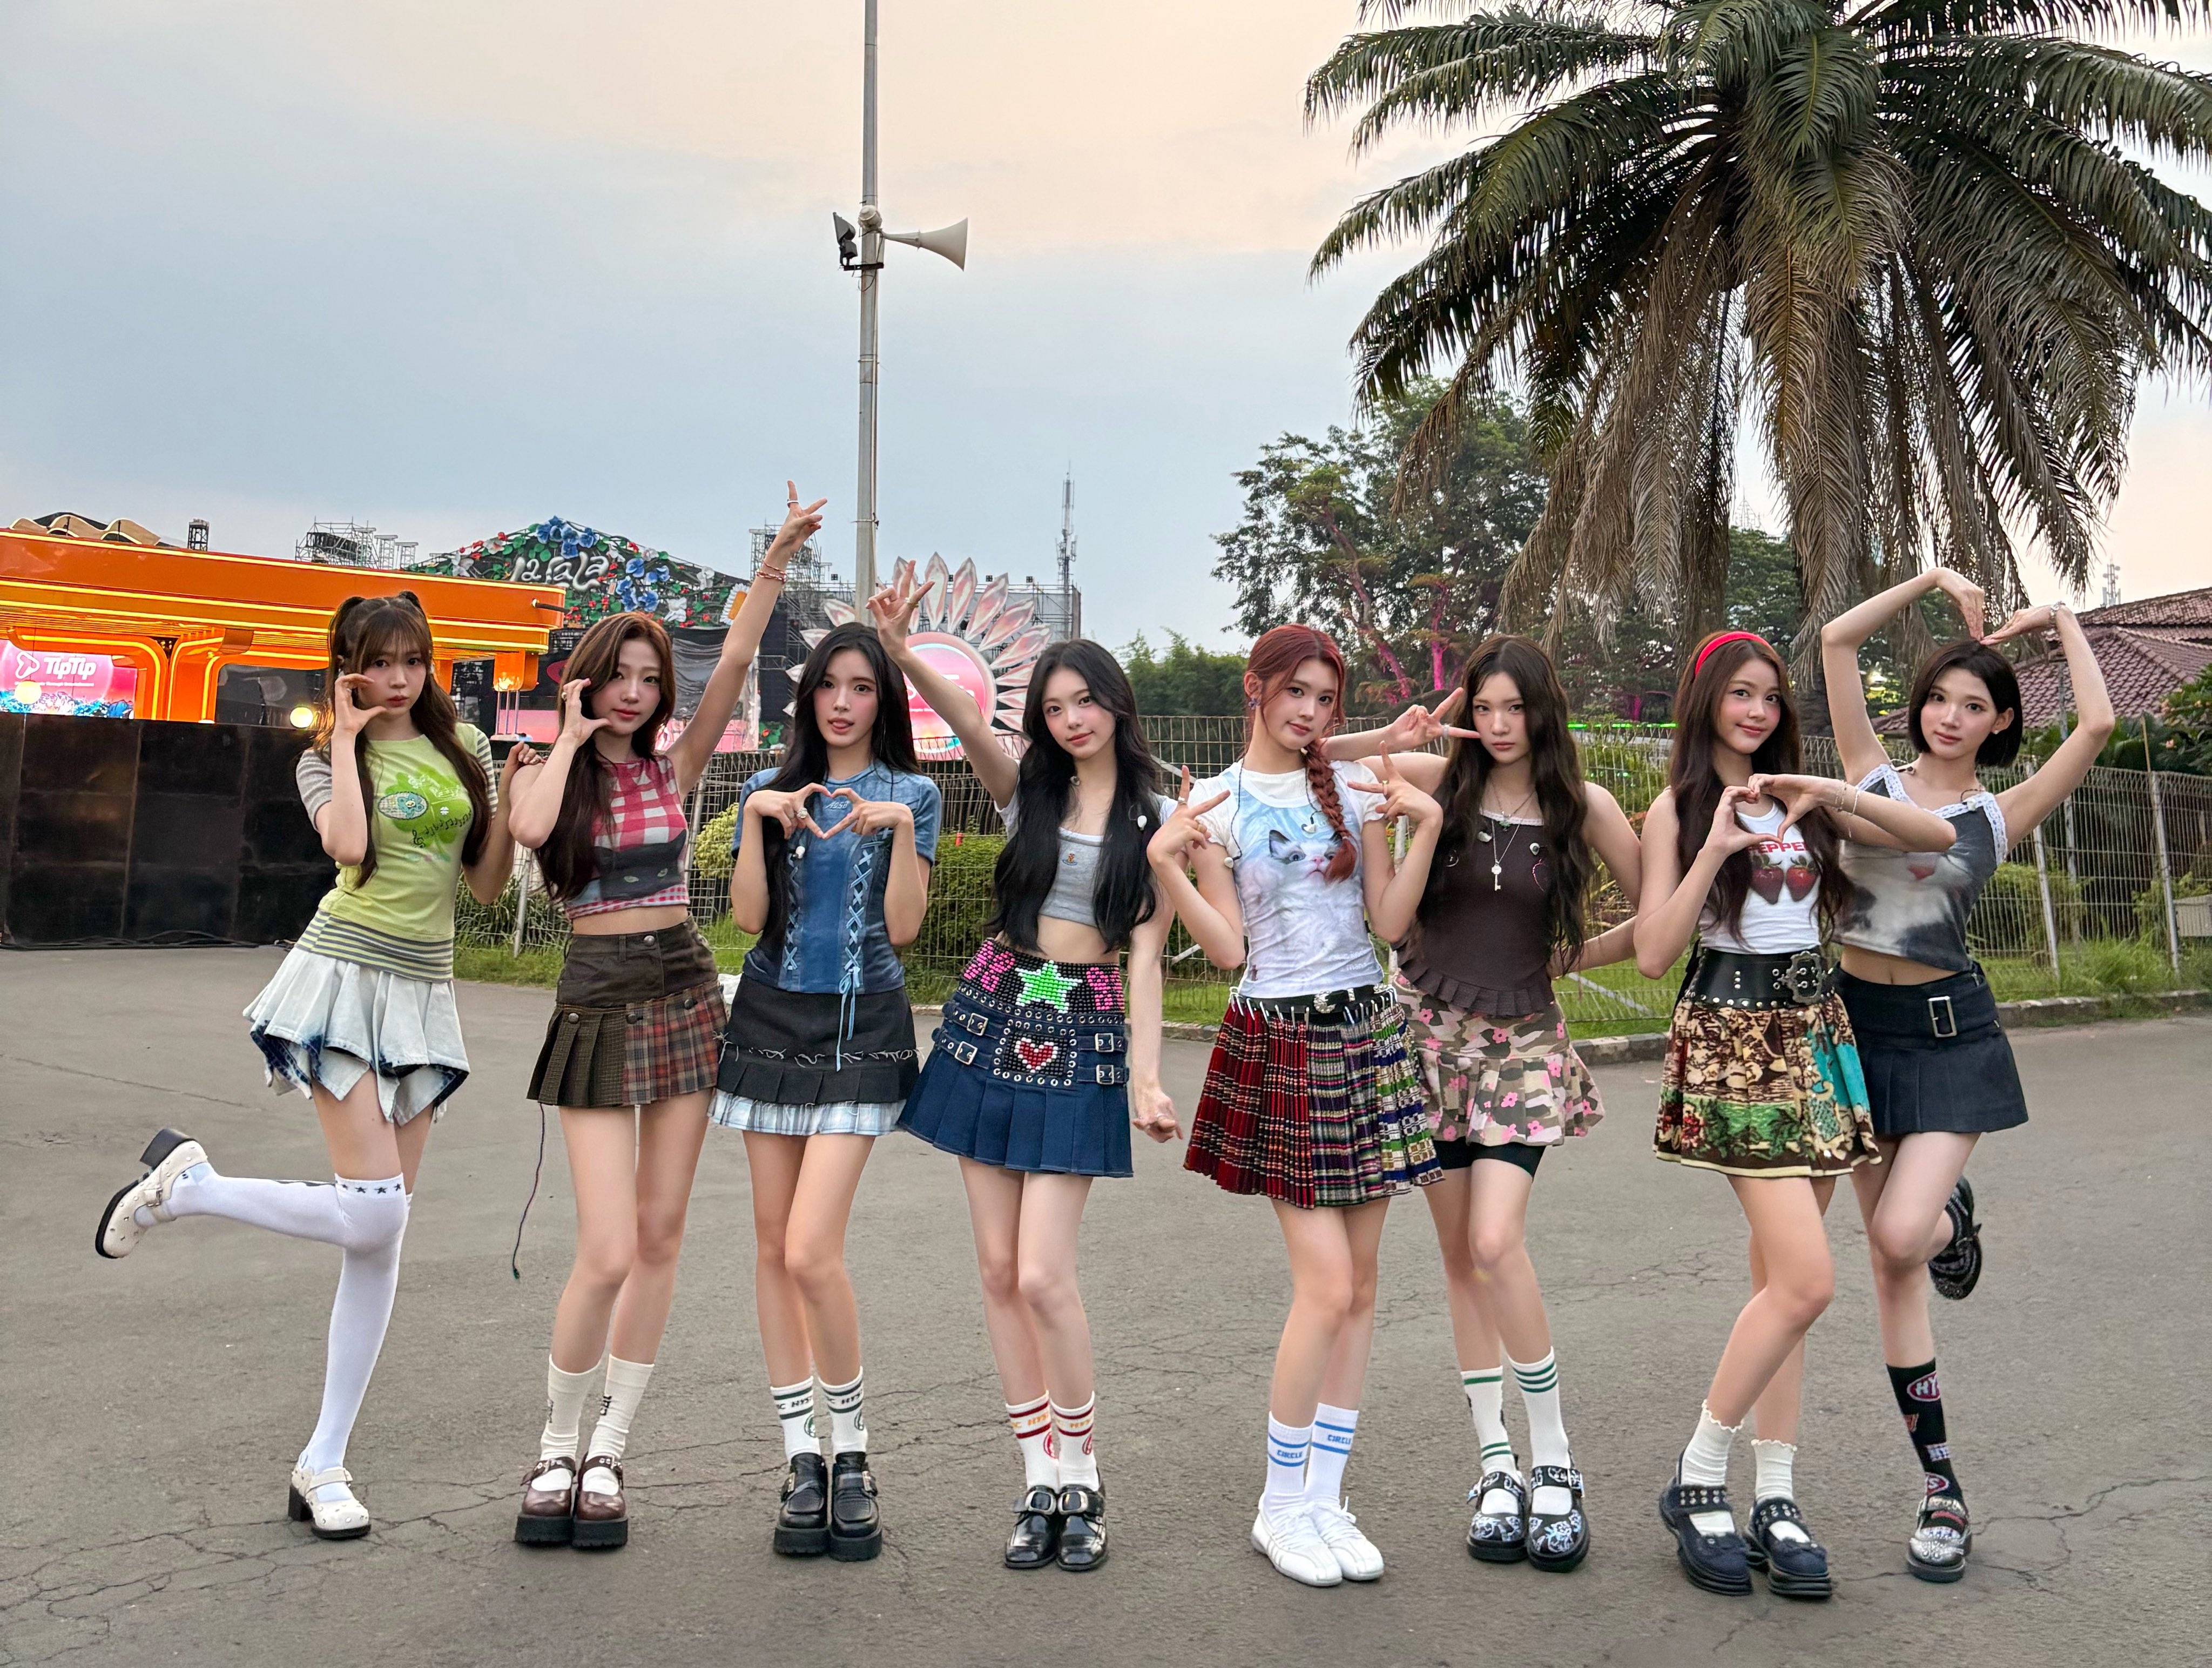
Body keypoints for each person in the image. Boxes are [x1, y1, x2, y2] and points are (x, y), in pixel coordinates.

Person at [95, 591, 527, 1538]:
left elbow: (487, 885)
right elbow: (351, 848)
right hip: (343, 975)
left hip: (425, 989)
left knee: (380, 1235)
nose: (400, 678)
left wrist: (507, 800)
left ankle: (324, 1461)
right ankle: (192, 1189)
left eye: (413, 660)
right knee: (374, 1212)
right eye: (380, 661)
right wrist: (348, 734)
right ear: (348, 668)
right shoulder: (321, 758)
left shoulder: (466, 749)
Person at [501, 488, 820, 1552]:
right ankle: (555, 1445)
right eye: (621, 677)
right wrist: (568, 737)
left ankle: (609, 1450)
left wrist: (773, 562)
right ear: (587, 679)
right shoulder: (549, 772)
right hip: (595, 992)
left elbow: (734, 664)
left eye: (649, 680)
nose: (637, 693)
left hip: (682, 984)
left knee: (658, 1236)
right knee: (602, 1250)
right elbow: (531, 830)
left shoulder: (673, 770)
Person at [1634, 629, 1958, 1601]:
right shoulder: (1679, 807)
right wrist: (1714, 848)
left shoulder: (1803, 803)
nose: (1758, 711)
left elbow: (1937, 838)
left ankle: (1774, 1494)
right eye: (1741, 694)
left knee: (1780, 1287)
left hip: (1815, 1034)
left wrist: (1830, 793)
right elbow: (1653, 951)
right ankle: (1698, 1476)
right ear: (1707, 701)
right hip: (1735, 1043)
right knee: (1809, 1282)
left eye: (1771, 697)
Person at [877, 573, 1179, 1575]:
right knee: (1000, 1273)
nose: (1071, 719)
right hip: (993, 1014)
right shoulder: (1027, 792)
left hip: (1084, 1034)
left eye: (1085, 700)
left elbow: (1145, 960)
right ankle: (1037, 1477)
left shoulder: (1158, 815)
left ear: (1116, 703)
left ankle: (1083, 1473)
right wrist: (904, 652)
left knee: (1046, 1274)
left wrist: (1146, 1078)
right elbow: (971, 721)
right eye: (1053, 708)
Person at [1822, 573, 2113, 1580]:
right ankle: (1941, 1487)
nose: (1950, 716)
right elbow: (1837, 642)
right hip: (1854, 1032)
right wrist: (1931, 582)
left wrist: (2060, 619)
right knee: (1889, 1265)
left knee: (1904, 1236)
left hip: (1949, 1037)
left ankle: (1949, 1221)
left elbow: (2098, 724)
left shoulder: (2001, 812)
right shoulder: (1869, 778)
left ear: (1998, 724)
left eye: (1974, 705)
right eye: (1939, 698)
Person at [1330, 635, 1642, 1572]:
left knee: (1498, 1242)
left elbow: (1663, 910)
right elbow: (1314, 758)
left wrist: (1571, 958)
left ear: (1544, 711)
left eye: (1516, 708)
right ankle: (1496, 1467)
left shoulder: (1582, 804)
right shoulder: (1442, 780)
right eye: (1485, 708)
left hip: (1521, 1044)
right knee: (1462, 1259)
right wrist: (1391, 737)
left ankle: (1556, 1462)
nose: (1500, 725)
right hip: (1426, 1036)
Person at [1148, 623, 1440, 1589]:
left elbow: (1389, 922)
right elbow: (1229, 951)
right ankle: (1279, 1505)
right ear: (1256, 688)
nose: (1311, 712)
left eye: (1325, 698)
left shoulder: (1354, 789)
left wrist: (1423, 827)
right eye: (1297, 693)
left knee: (1361, 1287)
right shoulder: (1216, 802)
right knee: (1325, 1286)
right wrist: (1169, 864)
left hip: (1366, 1030)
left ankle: (1325, 1497)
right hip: (1281, 1040)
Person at [711, 616, 939, 1563]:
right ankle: (801, 1457)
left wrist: (902, 835)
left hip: (862, 1026)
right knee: (773, 1247)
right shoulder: (768, 789)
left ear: (884, 702)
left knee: (811, 1248)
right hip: (768, 1018)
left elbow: (907, 929)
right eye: (830, 686)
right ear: (808, 697)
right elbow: (748, 920)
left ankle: (853, 1454)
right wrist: (755, 822)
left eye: (863, 687)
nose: (843, 704)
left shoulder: (914, 793)